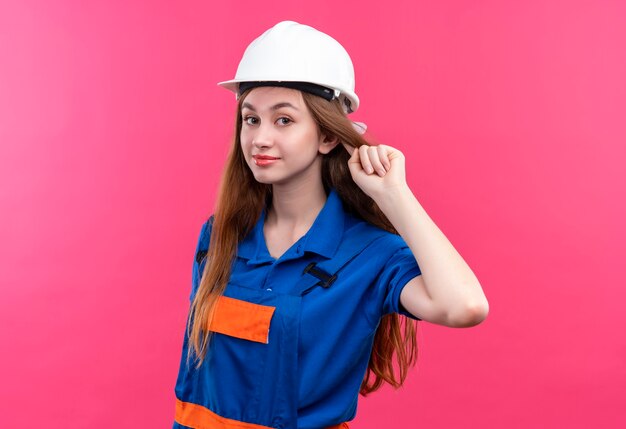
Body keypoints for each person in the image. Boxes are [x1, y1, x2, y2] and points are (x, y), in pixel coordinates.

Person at [172, 20, 488, 429]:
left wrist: (394, 196)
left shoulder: (369, 254)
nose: (260, 139)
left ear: (327, 136)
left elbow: (465, 307)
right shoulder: (220, 235)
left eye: (283, 120)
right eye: (251, 119)